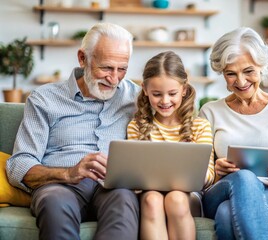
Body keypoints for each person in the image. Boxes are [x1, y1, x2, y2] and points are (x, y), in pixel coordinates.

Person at [6, 22, 140, 239]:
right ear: (82, 58)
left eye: (122, 69)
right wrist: (68, 173)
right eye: (106, 68)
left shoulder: (137, 98)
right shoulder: (45, 98)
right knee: (54, 201)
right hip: (60, 185)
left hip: (113, 188)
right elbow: (19, 164)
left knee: (124, 200)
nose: (114, 79)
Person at [199, 27, 268, 240]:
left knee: (226, 215)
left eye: (248, 71)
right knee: (244, 177)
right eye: (230, 74)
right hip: (222, 190)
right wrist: (217, 170)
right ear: (222, 74)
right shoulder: (209, 111)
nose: (241, 82)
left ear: (262, 66)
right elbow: (201, 176)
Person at [126, 51, 215, 240]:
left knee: (175, 198)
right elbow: (133, 177)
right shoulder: (137, 126)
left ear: (184, 89)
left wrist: (179, 180)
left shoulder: (200, 126)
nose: (165, 101)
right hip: (150, 195)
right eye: (157, 94)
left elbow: (208, 176)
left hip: (188, 197)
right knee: (152, 199)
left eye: (172, 93)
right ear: (145, 90)